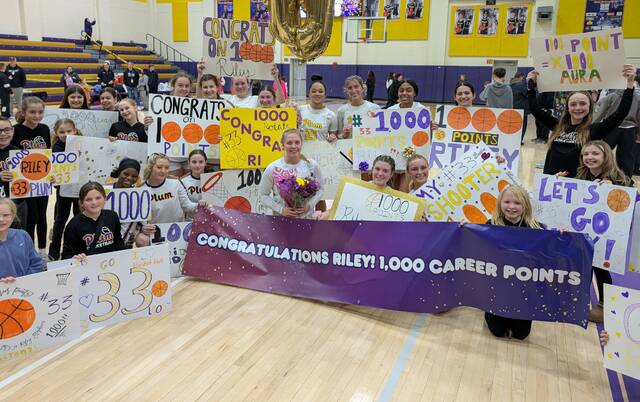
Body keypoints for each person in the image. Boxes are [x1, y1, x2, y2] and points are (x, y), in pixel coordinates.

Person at [527, 64, 636, 177]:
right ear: (568, 108)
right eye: (573, 104)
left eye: (583, 104)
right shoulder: (557, 126)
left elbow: (620, 114)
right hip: (551, 181)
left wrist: (629, 85)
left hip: (577, 185)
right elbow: (536, 110)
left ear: (590, 107)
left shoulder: (594, 130)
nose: (578, 108)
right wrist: (531, 85)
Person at [466, 185, 544, 340]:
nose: (511, 207)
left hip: (523, 290)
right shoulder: (491, 225)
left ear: (525, 206)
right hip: (498, 288)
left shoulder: (536, 228)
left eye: (517, 203)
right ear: (500, 204)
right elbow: (475, 244)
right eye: (507, 202)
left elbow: (551, 249)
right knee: (497, 331)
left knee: (521, 334)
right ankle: (489, 312)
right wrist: (464, 229)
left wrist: (562, 236)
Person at [575, 140, 633, 322]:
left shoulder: (620, 179)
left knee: (600, 268)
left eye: (595, 154)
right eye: (586, 154)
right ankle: (579, 299)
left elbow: (630, 204)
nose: (589, 157)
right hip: (585, 231)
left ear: (606, 156)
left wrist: (615, 192)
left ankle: (604, 305)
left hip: (607, 235)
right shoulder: (582, 175)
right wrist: (559, 181)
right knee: (584, 265)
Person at [11, 97, 51, 256]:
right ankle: (28, 250)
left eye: (40, 112)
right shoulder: (16, 130)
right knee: (30, 217)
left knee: (42, 215)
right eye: (32, 112)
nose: (37, 116)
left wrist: (52, 174)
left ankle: (42, 251)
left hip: (42, 181)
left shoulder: (45, 129)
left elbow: (48, 154)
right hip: (23, 182)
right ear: (23, 112)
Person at [259, 129, 323, 219]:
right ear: (282, 146)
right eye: (289, 143)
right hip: (282, 221)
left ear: (301, 144)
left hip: (307, 220)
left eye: (297, 142)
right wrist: (281, 209)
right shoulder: (273, 168)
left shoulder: (312, 165)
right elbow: (263, 194)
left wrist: (309, 205)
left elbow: (321, 190)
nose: (294, 146)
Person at [61, 182, 125, 260]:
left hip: (111, 263)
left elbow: (119, 242)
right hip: (88, 267)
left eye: (98, 198)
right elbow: (67, 255)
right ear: (81, 203)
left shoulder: (112, 216)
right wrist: (75, 258)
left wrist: (125, 258)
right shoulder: (73, 225)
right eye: (88, 199)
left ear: (105, 199)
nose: (94, 202)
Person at [48, 119, 82, 260]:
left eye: (69, 131)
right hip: (64, 191)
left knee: (79, 218)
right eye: (61, 132)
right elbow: (54, 171)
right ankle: (54, 249)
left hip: (80, 190)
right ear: (56, 133)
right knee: (60, 220)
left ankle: (77, 247)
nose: (65, 134)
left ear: (75, 131)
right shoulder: (56, 148)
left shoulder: (83, 143)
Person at [592, 84, 640, 178]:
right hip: (629, 129)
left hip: (612, 128)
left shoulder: (611, 96)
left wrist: (592, 127)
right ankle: (626, 179)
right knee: (627, 158)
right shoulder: (638, 98)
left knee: (603, 153)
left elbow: (600, 113)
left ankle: (600, 175)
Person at [141, 153, 199, 225]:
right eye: (159, 167)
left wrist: (200, 205)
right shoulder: (142, 190)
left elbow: (187, 206)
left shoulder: (176, 183)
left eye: (166, 167)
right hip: (155, 231)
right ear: (150, 167)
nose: (163, 171)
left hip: (178, 228)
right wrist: (144, 226)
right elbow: (143, 218)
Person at [107, 158, 152, 248]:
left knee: (144, 240)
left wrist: (144, 228)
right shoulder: (106, 191)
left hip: (127, 238)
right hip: (106, 237)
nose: (129, 178)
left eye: (134, 176)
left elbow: (143, 219)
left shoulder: (139, 195)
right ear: (119, 172)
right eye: (126, 174)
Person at [0, 199, 43, 282]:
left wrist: (22, 280)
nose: (1, 219)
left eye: (6, 215)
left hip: (24, 289)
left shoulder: (23, 236)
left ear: (13, 217)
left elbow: (37, 264)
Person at [0, 117, 27, 228]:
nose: (3, 134)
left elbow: (33, 176)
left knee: (17, 235)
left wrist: (47, 179)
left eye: (7, 130)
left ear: (12, 131)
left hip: (18, 204)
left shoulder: (20, 153)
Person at [180, 150, 206, 220]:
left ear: (205, 163)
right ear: (189, 163)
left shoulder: (213, 179)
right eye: (194, 162)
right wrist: (199, 205)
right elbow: (185, 206)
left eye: (201, 162)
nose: (197, 165)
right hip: (191, 221)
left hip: (212, 221)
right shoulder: (183, 182)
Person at [510, 72, 529, 144]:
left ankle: (512, 139)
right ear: (521, 77)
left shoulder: (510, 85)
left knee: (513, 125)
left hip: (512, 107)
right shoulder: (521, 85)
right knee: (522, 126)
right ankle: (519, 141)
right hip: (522, 108)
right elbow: (528, 94)